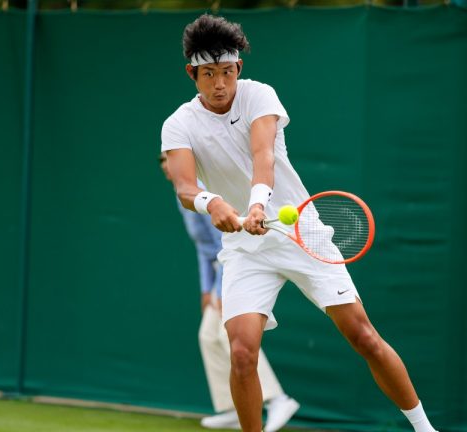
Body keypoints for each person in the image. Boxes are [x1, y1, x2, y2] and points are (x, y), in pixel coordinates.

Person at [160, 14, 438, 432]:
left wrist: (256, 205)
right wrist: (209, 200)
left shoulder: (259, 96)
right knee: (241, 352)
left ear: (239, 69)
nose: (219, 84)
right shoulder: (179, 123)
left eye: (227, 72)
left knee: (363, 335)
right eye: (208, 74)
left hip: (301, 231)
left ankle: (423, 428)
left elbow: (263, 157)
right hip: (244, 249)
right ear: (191, 74)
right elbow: (183, 185)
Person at [159, 152, 300, 431]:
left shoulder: (205, 193)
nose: (167, 165)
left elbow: (226, 240)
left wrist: (220, 290)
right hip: (217, 272)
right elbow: (203, 247)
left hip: (234, 265)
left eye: (170, 158)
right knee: (208, 336)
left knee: (227, 338)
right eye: (162, 161)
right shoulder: (182, 196)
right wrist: (205, 289)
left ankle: (277, 399)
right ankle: (233, 409)